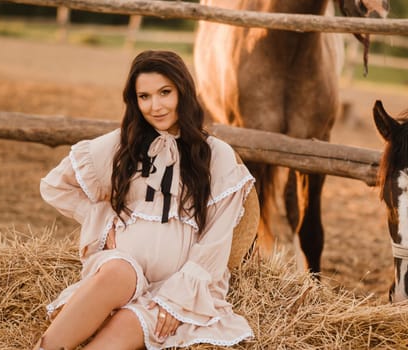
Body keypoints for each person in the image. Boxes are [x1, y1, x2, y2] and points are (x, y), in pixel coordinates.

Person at [34, 50, 255, 350]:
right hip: (124, 267)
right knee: (116, 273)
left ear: (183, 92)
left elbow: (216, 240)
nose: (156, 106)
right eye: (144, 96)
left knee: (123, 329)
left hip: (175, 286)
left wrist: (178, 299)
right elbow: (55, 185)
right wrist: (102, 220)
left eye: (165, 93)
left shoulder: (216, 154)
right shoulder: (122, 144)